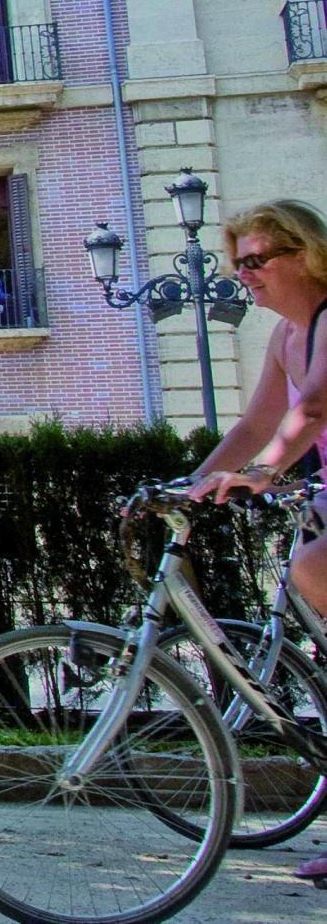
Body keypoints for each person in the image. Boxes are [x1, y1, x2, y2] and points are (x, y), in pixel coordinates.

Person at [186, 198, 327, 879]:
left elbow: (314, 409)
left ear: (304, 253)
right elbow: (253, 424)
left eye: (255, 260)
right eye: (236, 262)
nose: (242, 274)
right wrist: (190, 485)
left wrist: (266, 471)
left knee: (313, 566)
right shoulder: (285, 339)